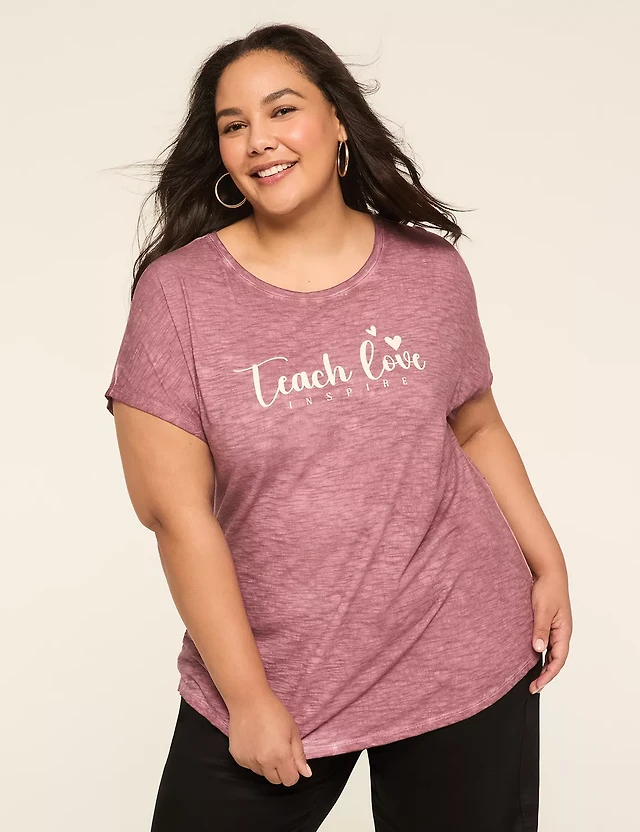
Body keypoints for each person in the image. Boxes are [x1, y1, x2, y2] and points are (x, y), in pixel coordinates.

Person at [104, 22, 573, 832]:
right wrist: (248, 699)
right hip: (275, 672)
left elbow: (474, 425)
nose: (260, 139)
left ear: (339, 122)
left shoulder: (429, 271)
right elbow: (175, 516)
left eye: (282, 109)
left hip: (458, 645)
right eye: (234, 125)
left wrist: (548, 561)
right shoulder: (178, 298)